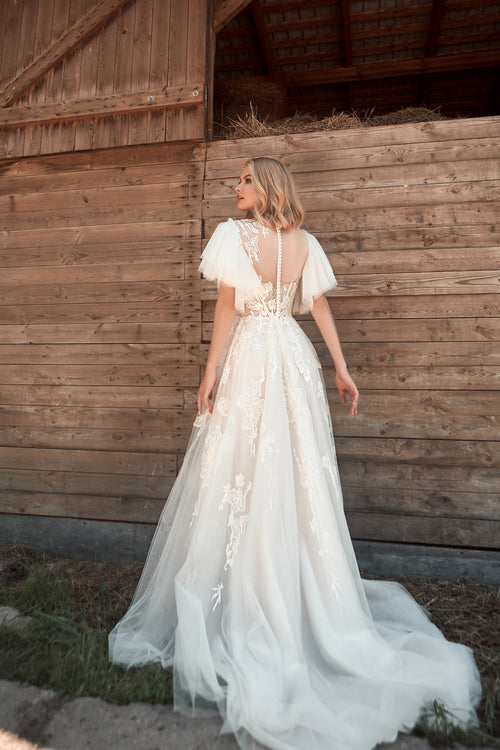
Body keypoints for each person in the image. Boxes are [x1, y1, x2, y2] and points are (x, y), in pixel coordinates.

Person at [109, 157, 481, 750]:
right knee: (292, 475)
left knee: (247, 472)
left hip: (256, 359)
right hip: (293, 356)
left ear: (266, 189)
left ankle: (249, 594)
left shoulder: (234, 236)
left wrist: (209, 375)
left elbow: (227, 308)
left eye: (245, 180)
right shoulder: (306, 242)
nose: (236, 187)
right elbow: (319, 308)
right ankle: (293, 593)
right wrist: (338, 366)